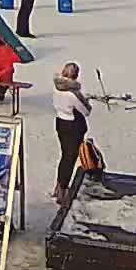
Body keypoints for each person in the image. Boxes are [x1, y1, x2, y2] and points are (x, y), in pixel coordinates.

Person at [51, 63, 91, 203]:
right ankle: (63, 190)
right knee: (70, 158)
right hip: (73, 126)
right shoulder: (73, 93)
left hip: (60, 122)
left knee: (64, 156)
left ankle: (58, 186)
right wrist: (85, 100)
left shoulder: (57, 88)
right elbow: (86, 110)